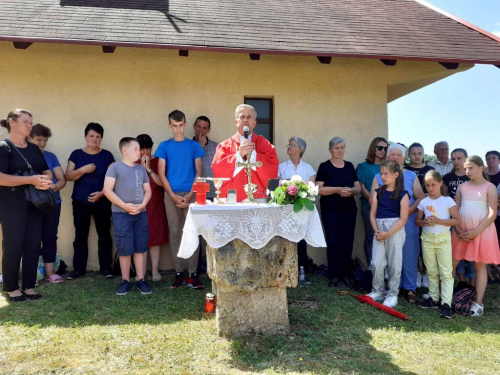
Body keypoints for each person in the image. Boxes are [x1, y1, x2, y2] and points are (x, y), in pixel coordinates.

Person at [0, 109, 52, 301]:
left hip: (34, 203)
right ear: (12, 122)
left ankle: (29, 286)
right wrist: (31, 180)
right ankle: (12, 288)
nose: (29, 125)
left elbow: (46, 170)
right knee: (13, 245)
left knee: (32, 244)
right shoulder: (3, 147)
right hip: (11, 203)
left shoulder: (32, 148)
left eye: (31, 122)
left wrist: (46, 179)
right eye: (25, 122)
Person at [155, 110, 205, 289]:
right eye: (174, 126)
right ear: (170, 126)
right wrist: (173, 195)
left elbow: (199, 172)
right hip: (171, 196)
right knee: (175, 234)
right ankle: (179, 273)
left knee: (192, 233)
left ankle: (193, 274)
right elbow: (161, 173)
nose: (178, 129)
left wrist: (190, 194)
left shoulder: (194, 146)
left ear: (185, 124)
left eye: (180, 125)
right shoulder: (164, 146)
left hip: (191, 195)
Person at [371, 143, 425, 303]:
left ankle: (409, 288)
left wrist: (407, 212)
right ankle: (393, 288)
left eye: (398, 155)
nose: (395, 157)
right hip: (385, 223)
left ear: (403, 158)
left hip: (407, 222)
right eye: (392, 154)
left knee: (408, 255)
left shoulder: (411, 175)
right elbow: (373, 199)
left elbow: (421, 197)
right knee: (387, 257)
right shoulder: (379, 176)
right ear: (387, 157)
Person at [451, 156, 500, 317]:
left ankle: (478, 303)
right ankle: (445, 297)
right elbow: (455, 210)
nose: (467, 171)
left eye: (470, 167)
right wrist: (457, 228)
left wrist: (476, 232)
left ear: (481, 168)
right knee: (451, 264)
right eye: (465, 168)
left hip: (482, 232)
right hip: (461, 231)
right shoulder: (462, 187)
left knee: (480, 266)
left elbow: (492, 214)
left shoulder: (490, 187)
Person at [65, 123, 115, 279]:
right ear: (85, 137)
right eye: (92, 136)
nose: (94, 139)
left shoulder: (107, 156)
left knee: (104, 234)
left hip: (102, 200)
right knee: (81, 234)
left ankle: (106, 268)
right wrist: (82, 170)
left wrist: (102, 193)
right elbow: (68, 176)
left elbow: (113, 179)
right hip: (81, 201)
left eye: (98, 136)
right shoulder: (76, 155)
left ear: (101, 139)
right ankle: (79, 269)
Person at [103, 137, 152, 295]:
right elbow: (107, 190)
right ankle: (125, 281)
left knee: (140, 247)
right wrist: (124, 206)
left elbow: (148, 190)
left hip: (140, 214)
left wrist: (143, 205)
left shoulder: (141, 169)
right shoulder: (115, 168)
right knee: (124, 248)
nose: (139, 152)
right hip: (121, 215)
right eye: (136, 149)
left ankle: (141, 279)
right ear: (125, 150)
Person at [416, 170, 461, 319]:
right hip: (427, 238)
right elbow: (418, 221)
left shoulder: (448, 201)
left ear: (440, 183)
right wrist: (425, 222)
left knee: (446, 272)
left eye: (433, 185)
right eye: (427, 185)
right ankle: (434, 299)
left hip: (443, 239)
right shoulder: (423, 202)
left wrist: (439, 221)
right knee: (431, 271)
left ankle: (446, 303)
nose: (430, 188)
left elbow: (457, 220)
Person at [316, 137, 360, 287]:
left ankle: (345, 274)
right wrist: (337, 190)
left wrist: (352, 191)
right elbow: (318, 189)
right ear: (330, 150)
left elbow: (358, 187)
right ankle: (334, 275)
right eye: (336, 148)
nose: (340, 150)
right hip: (330, 210)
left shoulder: (349, 166)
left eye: (342, 147)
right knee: (333, 241)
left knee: (347, 241)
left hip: (349, 209)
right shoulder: (324, 167)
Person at [212, 104, 279, 202]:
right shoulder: (225, 146)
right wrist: (239, 155)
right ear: (236, 122)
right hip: (233, 199)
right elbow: (218, 169)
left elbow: (272, 166)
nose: (245, 120)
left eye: (249, 117)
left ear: (254, 123)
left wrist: (254, 155)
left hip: (258, 199)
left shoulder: (263, 143)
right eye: (242, 117)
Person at [366, 160, 409, 308]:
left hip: (394, 230)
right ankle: (378, 290)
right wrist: (376, 230)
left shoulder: (403, 195)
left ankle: (392, 293)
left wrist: (388, 233)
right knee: (377, 262)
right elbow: (372, 214)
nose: (382, 176)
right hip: (379, 229)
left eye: (386, 173)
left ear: (396, 175)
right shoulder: (378, 192)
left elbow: (403, 219)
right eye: (381, 173)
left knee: (394, 264)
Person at [28, 124, 66, 284]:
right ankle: (32, 274)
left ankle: (50, 273)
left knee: (50, 236)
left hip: (52, 203)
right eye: (39, 140)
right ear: (29, 138)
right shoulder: (23, 156)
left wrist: (56, 186)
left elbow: (62, 178)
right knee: (32, 238)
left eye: (45, 140)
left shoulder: (51, 156)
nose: (42, 143)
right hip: (32, 204)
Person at [278, 137, 316, 282]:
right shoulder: (281, 167)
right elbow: (276, 187)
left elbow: (311, 190)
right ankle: (283, 270)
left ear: (301, 150)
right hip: (285, 210)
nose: (289, 147)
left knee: (301, 239)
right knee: (284, 238)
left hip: (301, 211)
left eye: (293, 145)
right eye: (289, 144)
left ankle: (301, 269)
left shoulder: (308, 169)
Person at [136, 134, 169, 281]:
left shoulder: (157, 162)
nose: (145, 153)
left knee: (155, 238)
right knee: (140, 239)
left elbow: (162, 183)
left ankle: (155, 271)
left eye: (147, 149)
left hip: (156, 205)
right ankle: (141, 272)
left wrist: (148, 168)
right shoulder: (132, 163)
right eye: (141, 149)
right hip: (139, 205)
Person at [443, 148, 475, 287]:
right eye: (453, 159)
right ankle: (461, 282)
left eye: (459, 158)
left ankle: (473, 283)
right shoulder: (447, 178)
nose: (456, 161)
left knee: (472, 250)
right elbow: (444, 197)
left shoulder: (472, 177)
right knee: (456, 251)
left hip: (471, 217)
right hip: (452, 218)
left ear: (466, 159)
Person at [356, 137, 388, 266]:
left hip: (386, 209)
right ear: (373, 148)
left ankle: (384, 268)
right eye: (380, 147)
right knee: (372, 236)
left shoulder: (388, 167)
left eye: (385, 148)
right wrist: (373, 201)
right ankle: (372, 267)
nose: (383, 151)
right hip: (369, 207)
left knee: (386, 238)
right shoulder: (363, 166)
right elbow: (361, 186)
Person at [193, 116, 219, 200]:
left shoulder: (217, 147)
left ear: (208, 130)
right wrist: (199, 147)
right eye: (198, 126)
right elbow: (187, 167)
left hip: (213, 193)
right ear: (194, 127)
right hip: (193, 194)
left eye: (204, 128)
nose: (201, 130)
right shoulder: (187, 146)